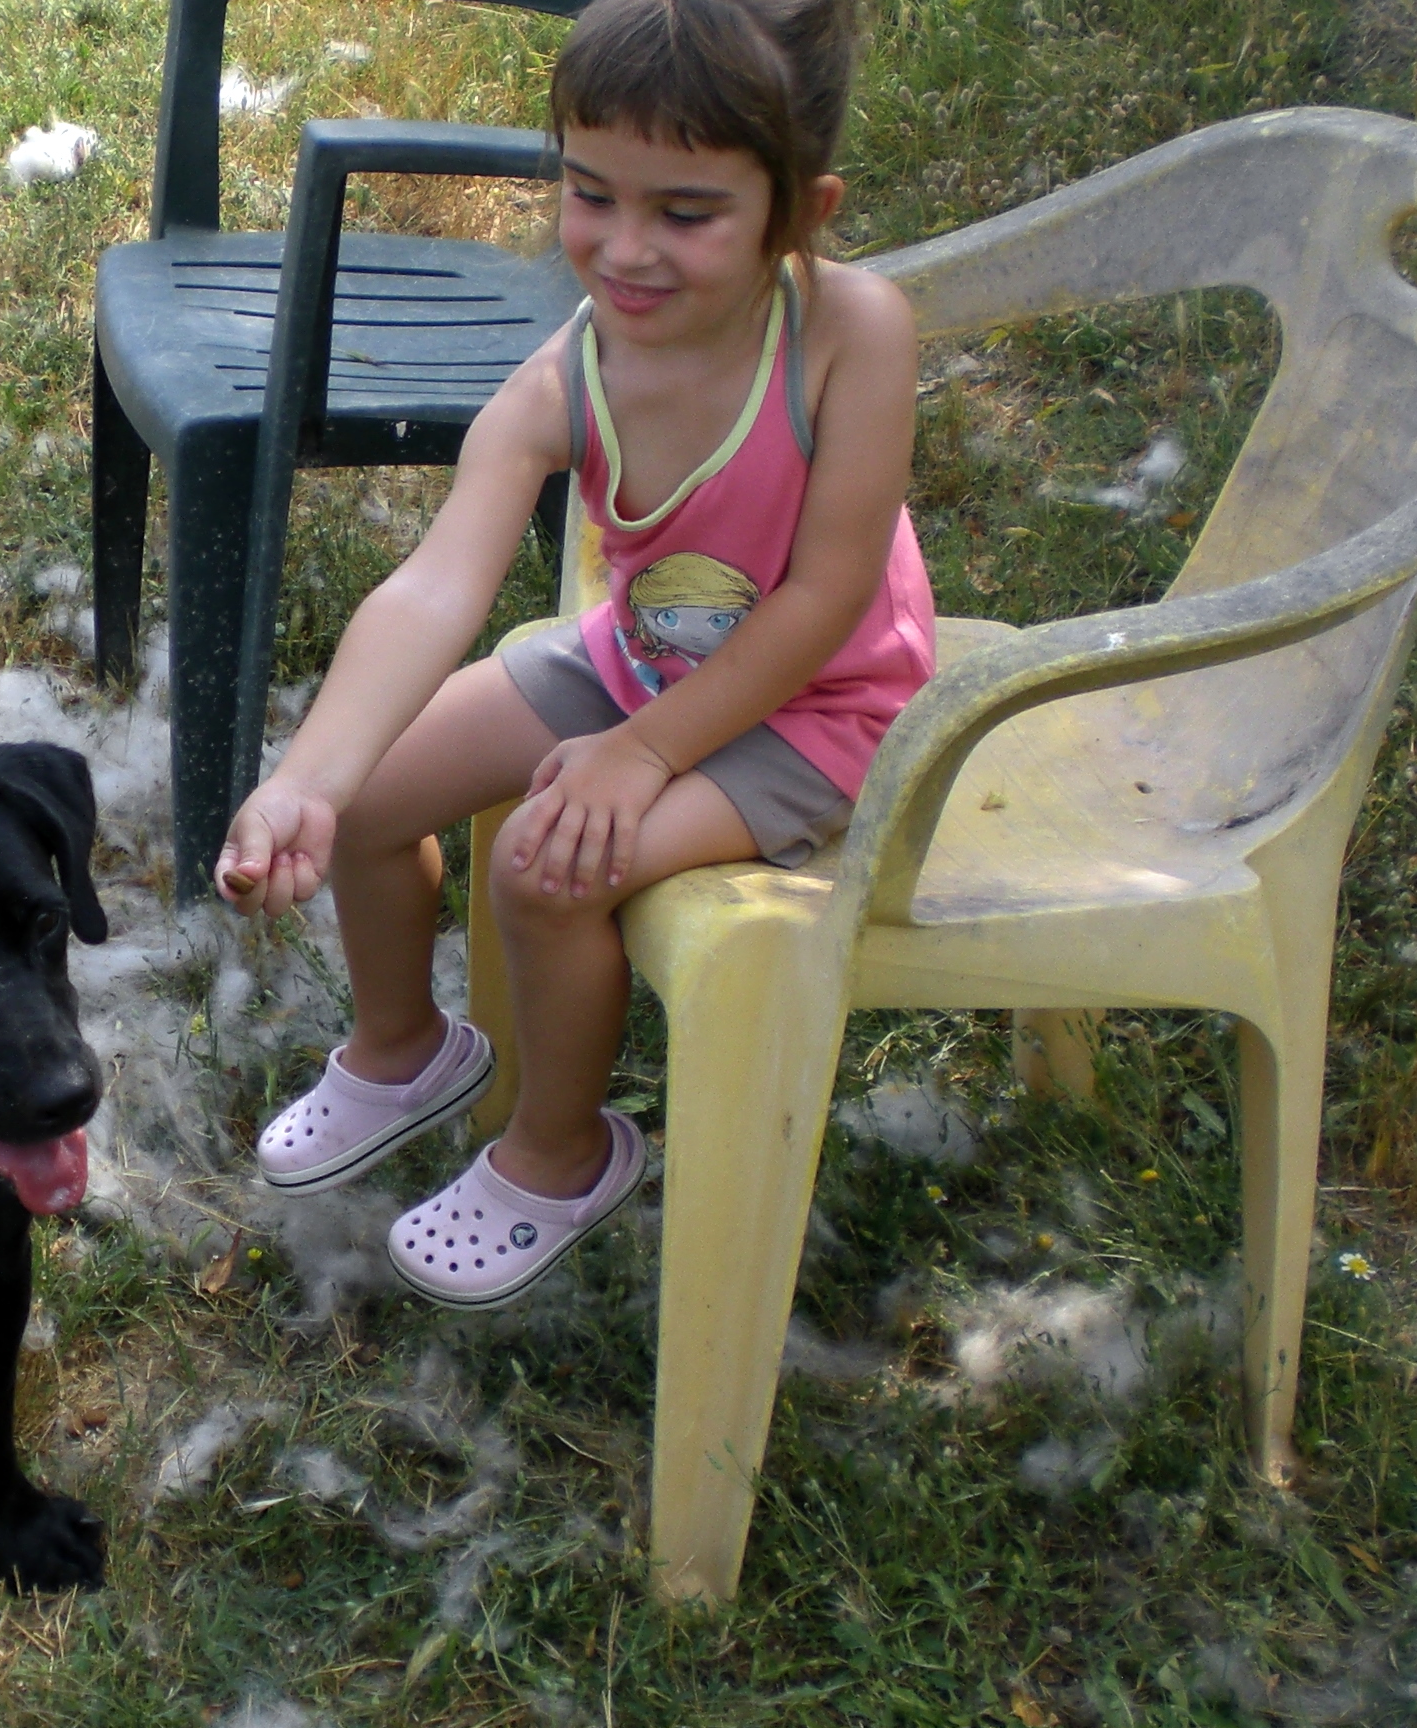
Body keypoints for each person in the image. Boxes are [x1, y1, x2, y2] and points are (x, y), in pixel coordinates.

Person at [216, 0, 935, 1310]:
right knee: (376, 795)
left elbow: (827, 601)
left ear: (801, 213)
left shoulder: (852, 335)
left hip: (822, 712)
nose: (624, 247)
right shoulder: (567, 375)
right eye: (591, 193)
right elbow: (436, 585)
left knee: (548, 869)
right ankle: (404, 1046)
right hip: (640, 665)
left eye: (686, 212)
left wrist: (641, 754)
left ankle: (560, 1152)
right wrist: (309, 778)